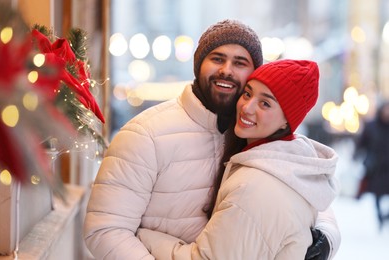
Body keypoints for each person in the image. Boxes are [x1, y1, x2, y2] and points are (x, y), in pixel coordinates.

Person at [83, 20, 340, 260]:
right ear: (198, 64)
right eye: (217, 59)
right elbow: (105, 230)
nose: (226, 70)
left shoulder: (257, 131)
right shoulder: (145, 134)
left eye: (240, 63)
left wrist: (327, 236)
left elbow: (301, 189)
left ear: (254, 73)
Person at [136, 59, 340, 259]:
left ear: (287, 121)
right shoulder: (290, 165)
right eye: (248, 93)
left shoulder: (254, 187)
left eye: (265, 103)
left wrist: (144, 235)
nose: (247, 107)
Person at [354, 101, 389, 229]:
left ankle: (385, 216)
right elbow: (362, 143)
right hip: (376, 167)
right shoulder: (372, 126)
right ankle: (379, 215)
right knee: (378, 193)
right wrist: (356, 155)